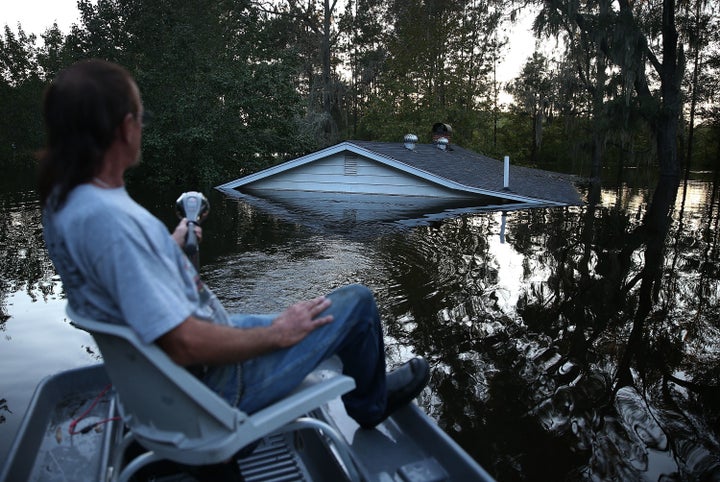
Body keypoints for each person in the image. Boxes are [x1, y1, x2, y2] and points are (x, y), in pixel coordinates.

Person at [38, 59, 429, 432]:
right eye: (142, 118)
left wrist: (167, 249)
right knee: (357, 302)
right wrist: (278, 334)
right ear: (125, 128)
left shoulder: (66, 205)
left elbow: (122, 285)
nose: (143, 127)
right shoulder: (113, 222)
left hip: (173, 380)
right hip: (213, 386)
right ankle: (370, 406)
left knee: (303, 314)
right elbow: (184, 344)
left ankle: (350, 377)